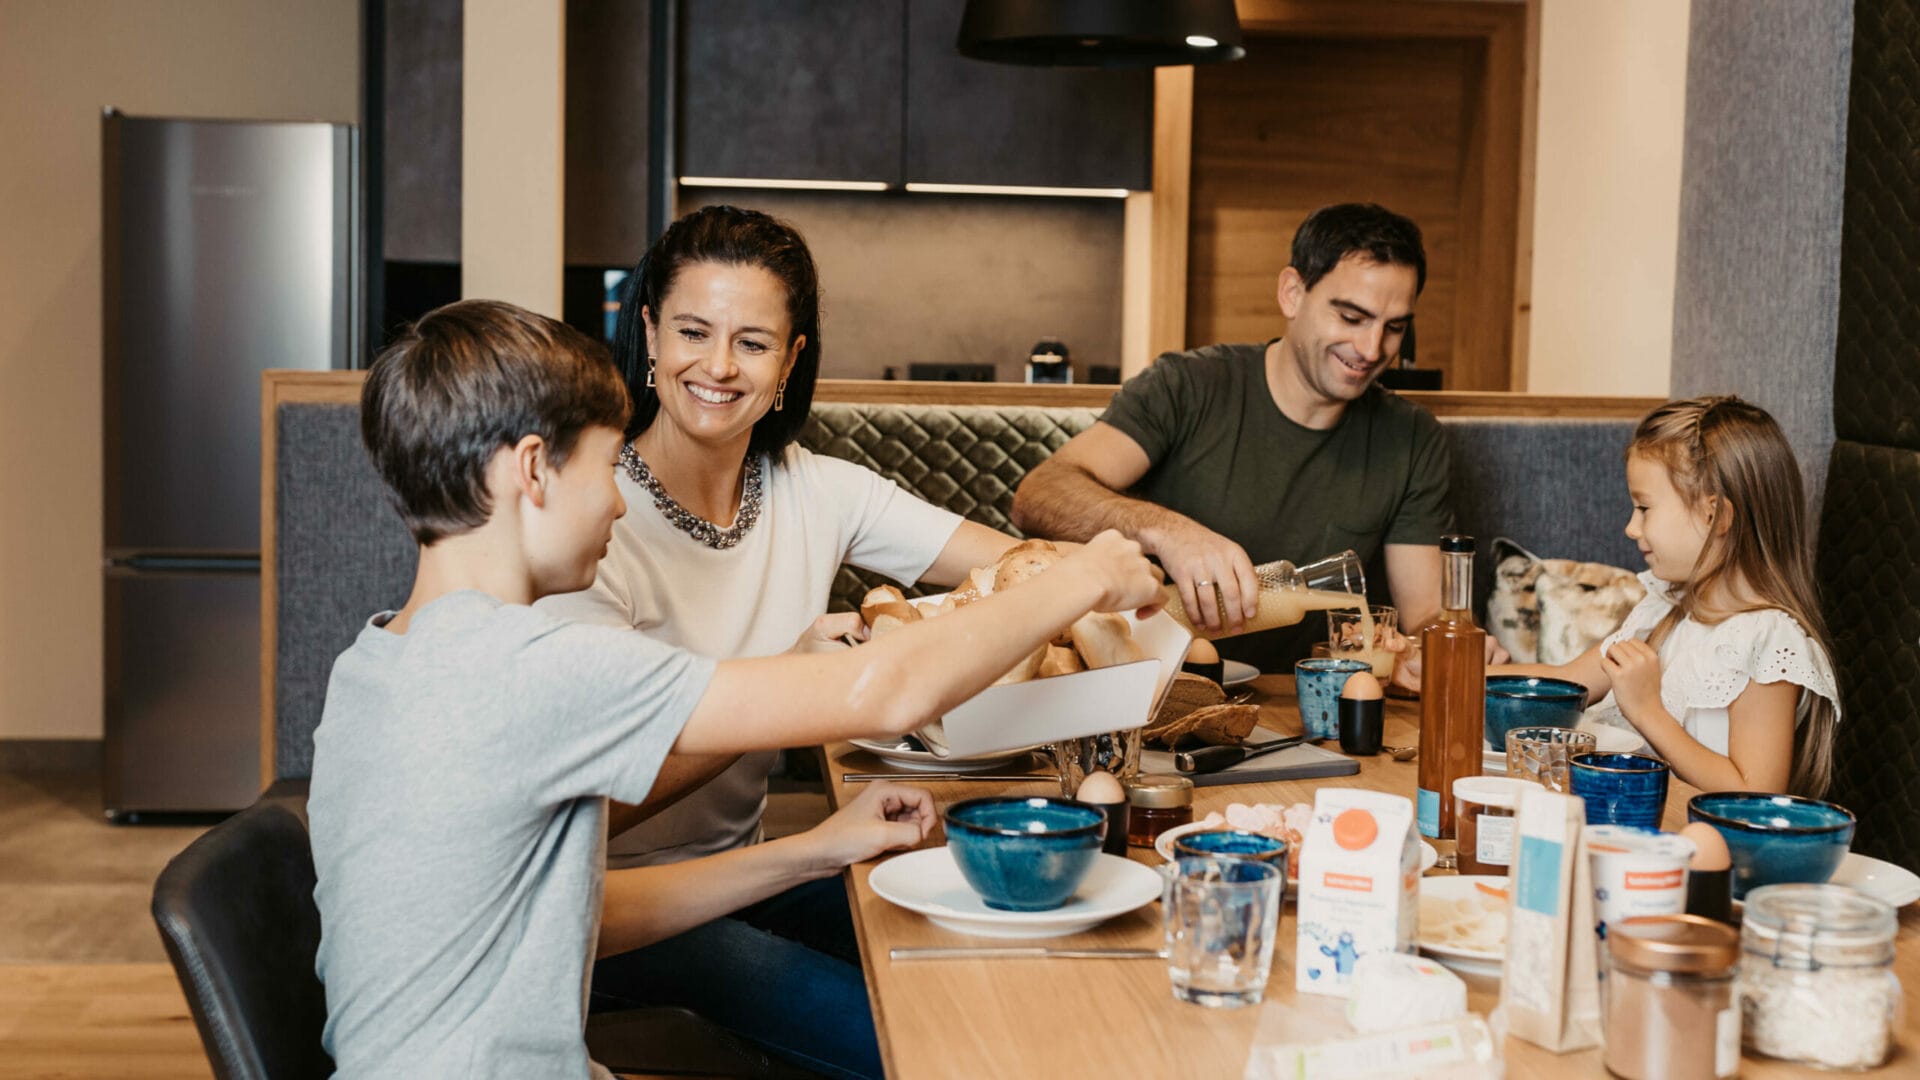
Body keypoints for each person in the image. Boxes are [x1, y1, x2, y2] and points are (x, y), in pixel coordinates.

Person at [307, 299, 1162, 1077]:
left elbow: (573, 912)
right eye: (606, 467)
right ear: (533, 470)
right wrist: (1079, 579)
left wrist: (813, 850)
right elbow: (885, 693)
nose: (616, 504)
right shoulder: (530, 666)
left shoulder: (381, 662)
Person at [537, 205, 1029, 1075]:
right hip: (610, 910)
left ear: (791, 360)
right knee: (909, 1042)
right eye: (692, 330)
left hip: (750, 872)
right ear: (648, 330)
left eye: (753, 343)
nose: (719, 367)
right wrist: (784, 692)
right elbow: (585, 817)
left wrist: (1074, 585)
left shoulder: (817, 490)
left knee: (994, 945)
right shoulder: (590, 522)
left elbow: (1018, 565)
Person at [1011, 202, 1504, 675]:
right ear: (1292, 293)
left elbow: (1424, 619)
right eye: (1351, 318)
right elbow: (1040, 494)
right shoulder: (1188, 386)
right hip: (1157, 689)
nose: (1372, 349)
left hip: (1311, 708)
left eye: (1393, 328)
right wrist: (1167, 530)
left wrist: (1426, 651)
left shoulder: (1411, 437)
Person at [1494, 396, 1839, 797]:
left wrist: (1647, 711)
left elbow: (1756, 795)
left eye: (1643, 508)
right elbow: (1566, 681)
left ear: (1715, 516)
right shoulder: (1664, 609)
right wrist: (1445, 664)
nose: (1631, 527)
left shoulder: (1767, 640)